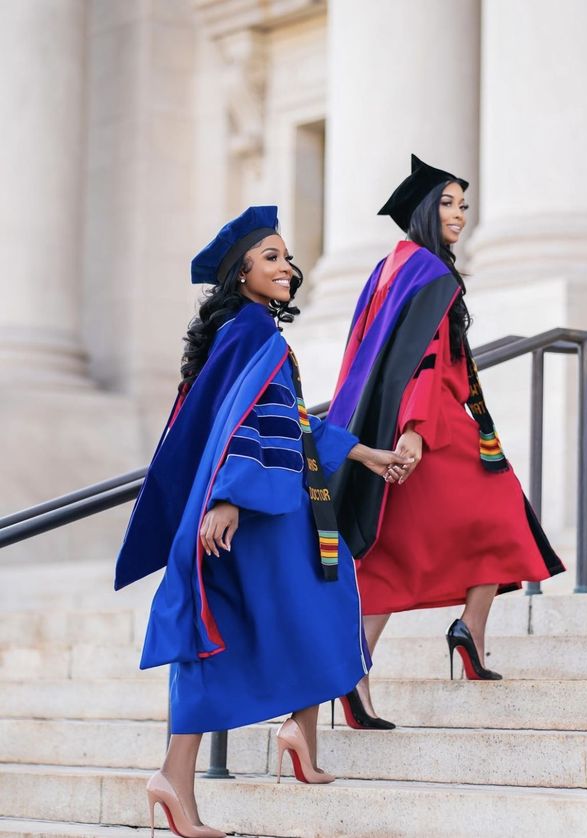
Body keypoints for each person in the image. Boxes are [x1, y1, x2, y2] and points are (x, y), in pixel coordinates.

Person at [114, 206, 410, 837]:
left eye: (286, 256)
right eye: (270, 256)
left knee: (319, 608)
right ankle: (178, 775)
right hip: (254, 510)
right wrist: (227, 497)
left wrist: (363, 452)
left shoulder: (252, 334)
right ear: (240, 273)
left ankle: (298, 736)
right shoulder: (253, 334)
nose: (287, 266)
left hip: (274, 505)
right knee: (220, 629)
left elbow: (290, 422)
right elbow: (243, 427)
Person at [328, 155, 566, 729]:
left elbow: (369, 359)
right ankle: (468, 631)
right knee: (503, 506)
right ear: (421, 211)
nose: (460, 213)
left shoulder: (390, 268)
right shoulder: (431, 273)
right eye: (448, 203)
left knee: (390, 549)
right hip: (429, 424)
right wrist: (415, 430)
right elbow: (427, 361)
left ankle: (355, 676)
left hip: (384, 427)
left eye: (464, 203)